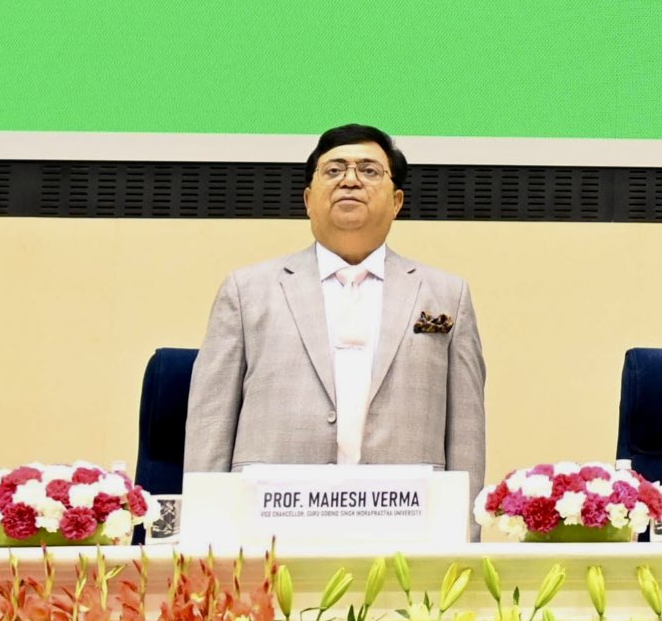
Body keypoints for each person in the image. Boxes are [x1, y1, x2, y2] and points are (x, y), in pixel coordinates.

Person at [183, 124, 486, 491]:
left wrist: (462, 540)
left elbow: (466, 434)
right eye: (334, 169)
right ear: (308, 199)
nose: (351, 180)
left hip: (405, 524)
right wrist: (206, 532)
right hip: (272, 523)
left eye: (370, 171)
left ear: (397, 202)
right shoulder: (247, 291)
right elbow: (210, 422)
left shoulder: (447, 294)